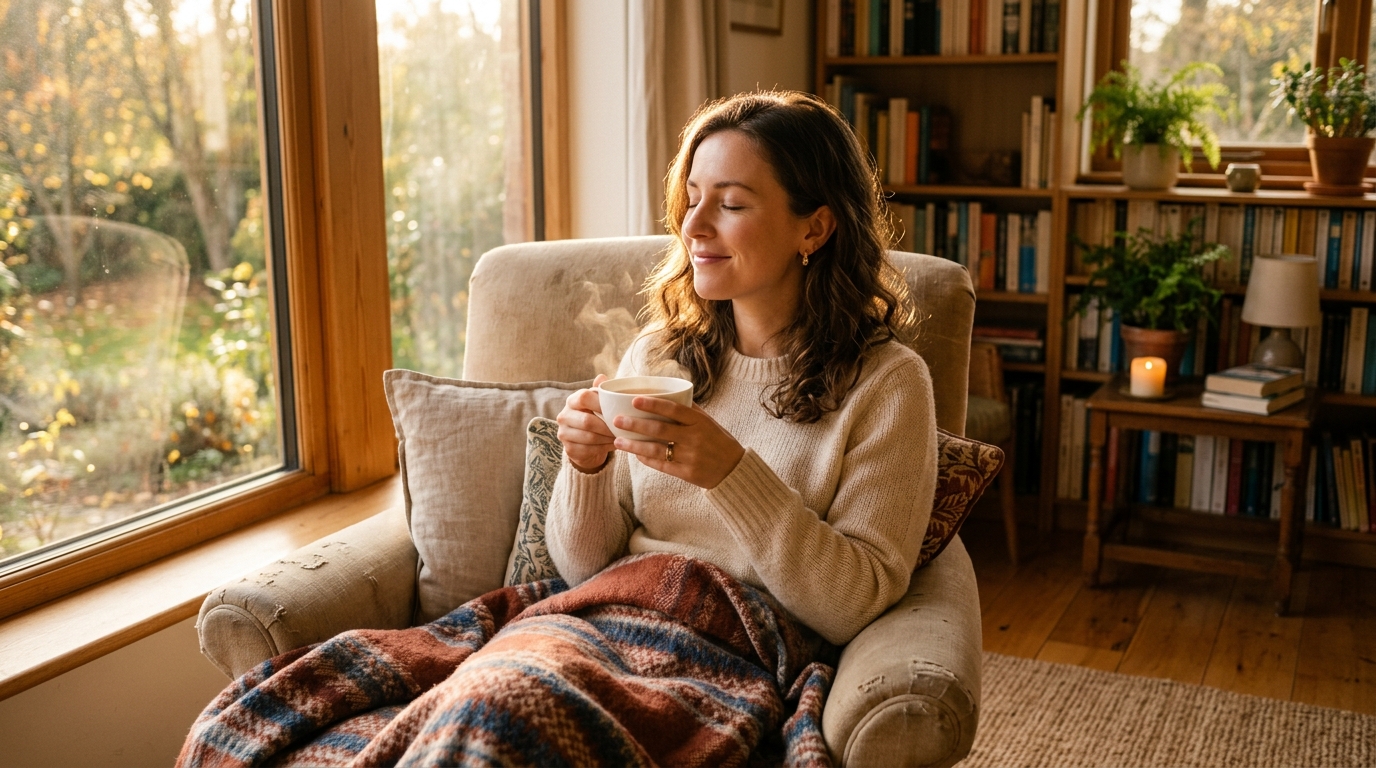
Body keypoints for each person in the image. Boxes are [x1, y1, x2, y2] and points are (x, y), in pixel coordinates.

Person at [549, 90, 938, 647]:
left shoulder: (886, 384)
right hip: (608, 622)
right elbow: (583, 571)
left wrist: (731, 474)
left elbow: (856, 602)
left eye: (730, 205)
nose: (694, 227)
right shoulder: (659, 355)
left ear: (814, 229)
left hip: (736, 647)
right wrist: (585, 468)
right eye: (692, 199)